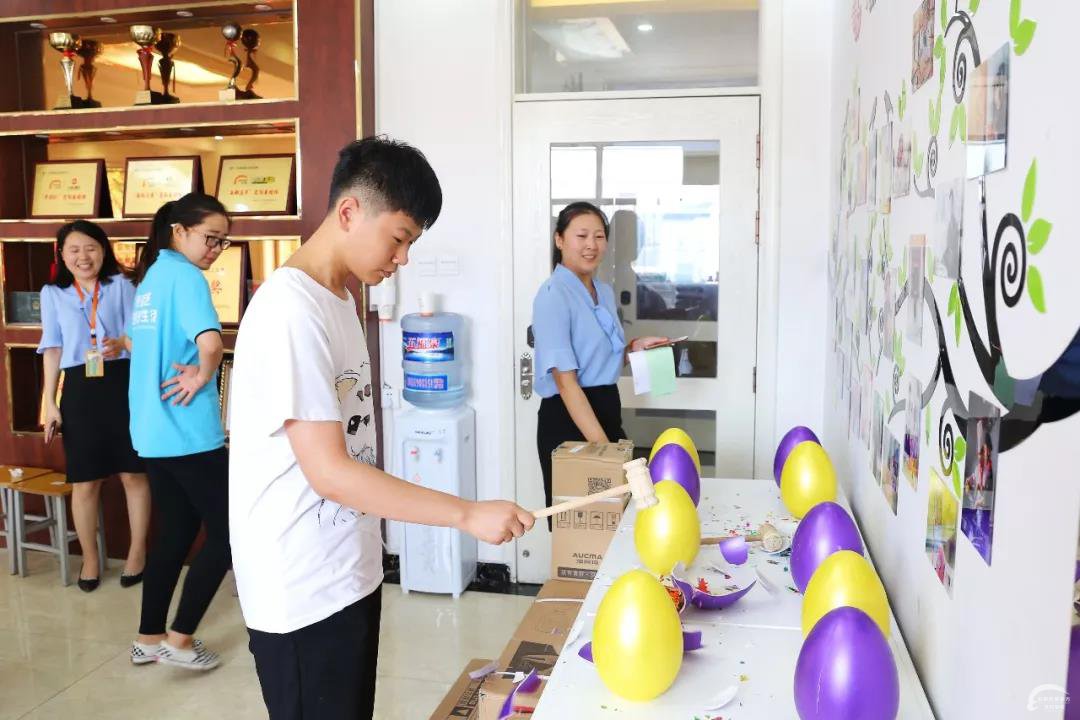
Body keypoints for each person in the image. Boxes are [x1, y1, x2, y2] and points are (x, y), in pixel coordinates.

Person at [228, 136, 535, 719]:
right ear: (349, 212)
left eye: (411, 243)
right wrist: (466, 514)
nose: (402, 258)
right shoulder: (290, 310)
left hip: (348, 570)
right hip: (302, 590)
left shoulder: (340, 299)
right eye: (399, 238)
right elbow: (330, 472)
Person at [127, 193, 232, 671]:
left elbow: (138, 344)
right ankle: (181, 639)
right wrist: (202, 375)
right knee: (229, 532)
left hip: (152, 430)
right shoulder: (187, 278)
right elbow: (211, 343)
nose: (216, 249)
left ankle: (148, 638)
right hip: (189, 433)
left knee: (176, 532)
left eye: (222, 242)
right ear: (180, 230)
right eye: (210, 237)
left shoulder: (152, 278)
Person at [532, 202, 667, 519]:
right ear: (559, 239)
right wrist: (606, 452)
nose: (591, 245)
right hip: (568, 418)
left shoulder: (603, 292)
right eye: (581, 236)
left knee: (616, 519)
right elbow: (567, 384)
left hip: (606, 408)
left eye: (599, 236)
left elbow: (599, 360)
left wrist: (634, 348)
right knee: (580, 529)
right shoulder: (553, 295)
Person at [37, 220, 149, 592]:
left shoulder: (125, 285)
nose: (83, 257)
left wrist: (123, 342)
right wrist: (49, 403)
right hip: (80, 391)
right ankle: (90, 558)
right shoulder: (53, 293)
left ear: (104, 250)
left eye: (91, 248)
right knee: (85, 482)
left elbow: (141, 336)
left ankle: (137, 553)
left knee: (134, 475)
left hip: (124, 384)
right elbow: (52, 348)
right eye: (74, 250)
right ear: (62, 255)